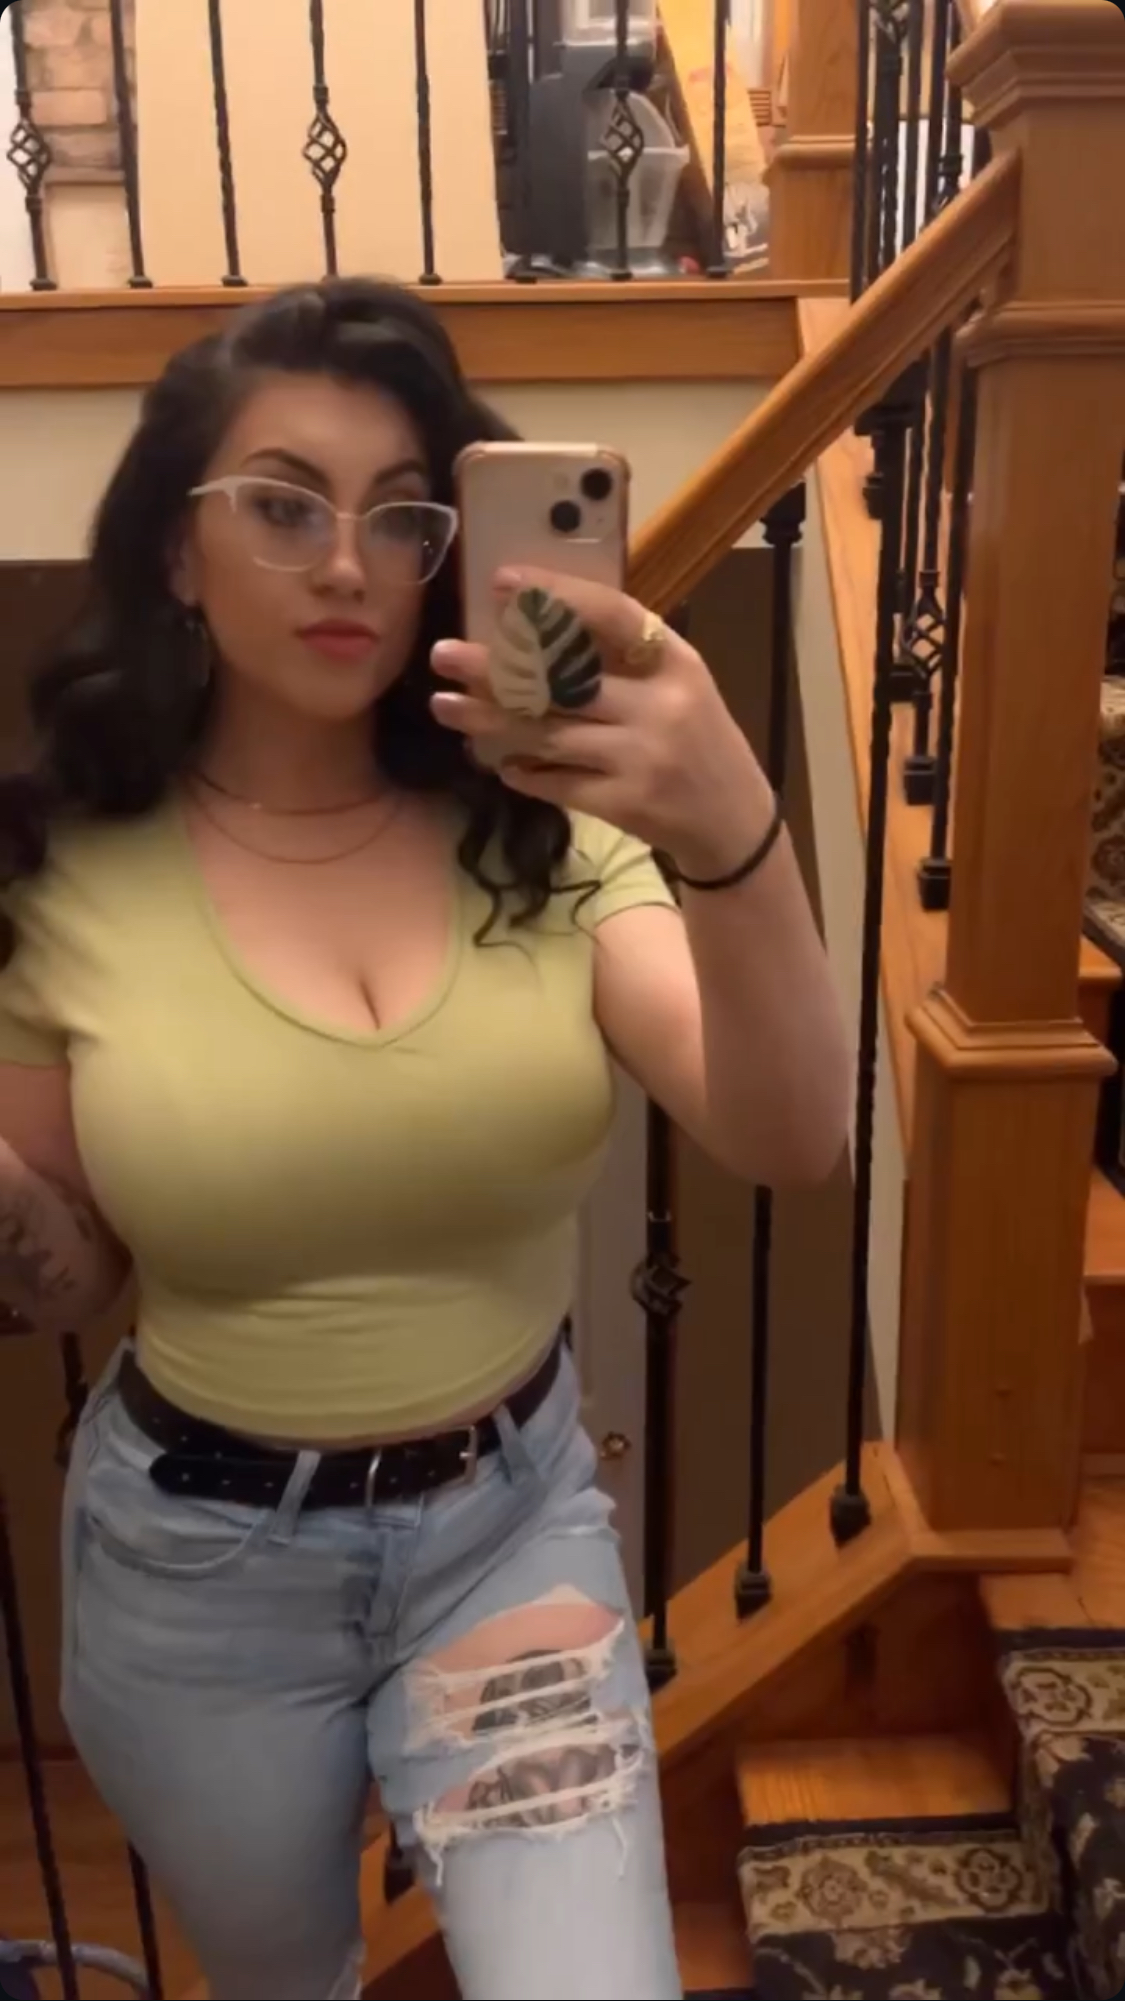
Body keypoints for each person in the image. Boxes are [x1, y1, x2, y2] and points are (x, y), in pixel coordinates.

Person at [0, 278, 848, 2001]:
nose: (346, 564)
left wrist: (730, 824)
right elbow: (68, 1275)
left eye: (400, 517)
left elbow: (790, 1134)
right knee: (288, 1978)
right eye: (283, 504)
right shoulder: (66, 876)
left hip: (505, 1535)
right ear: (176, 552)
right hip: (195, 1571)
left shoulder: (547, 832)